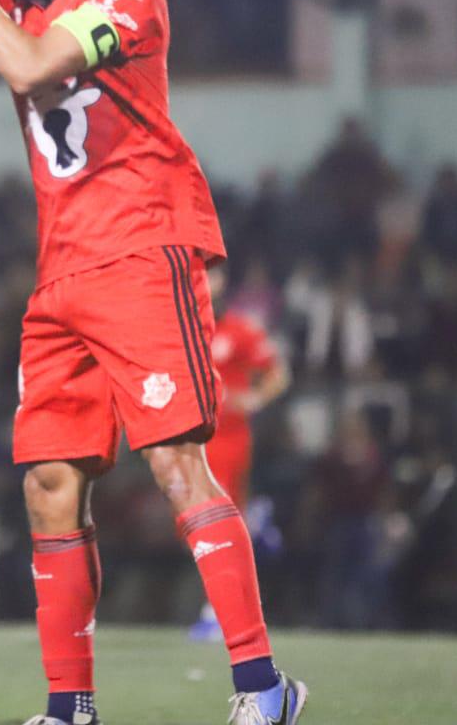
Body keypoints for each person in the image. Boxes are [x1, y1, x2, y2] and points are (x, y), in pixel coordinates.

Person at [0, 0, 307, 725]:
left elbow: (35, 67)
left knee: (172, 463)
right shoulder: (16, 10)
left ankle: (262, 691)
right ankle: (68, 707)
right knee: (47, 483)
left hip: (141, 251)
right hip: (60, 274)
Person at [191, 265, 290, 642]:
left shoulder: (237, 330)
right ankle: (256, 531)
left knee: (213, 523)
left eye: (210, 275)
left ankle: (216, 612)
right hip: (189, 442)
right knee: (198, 526)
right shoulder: (183, 328)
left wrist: (254, 399)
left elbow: (277, 373)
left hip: (228, 441)